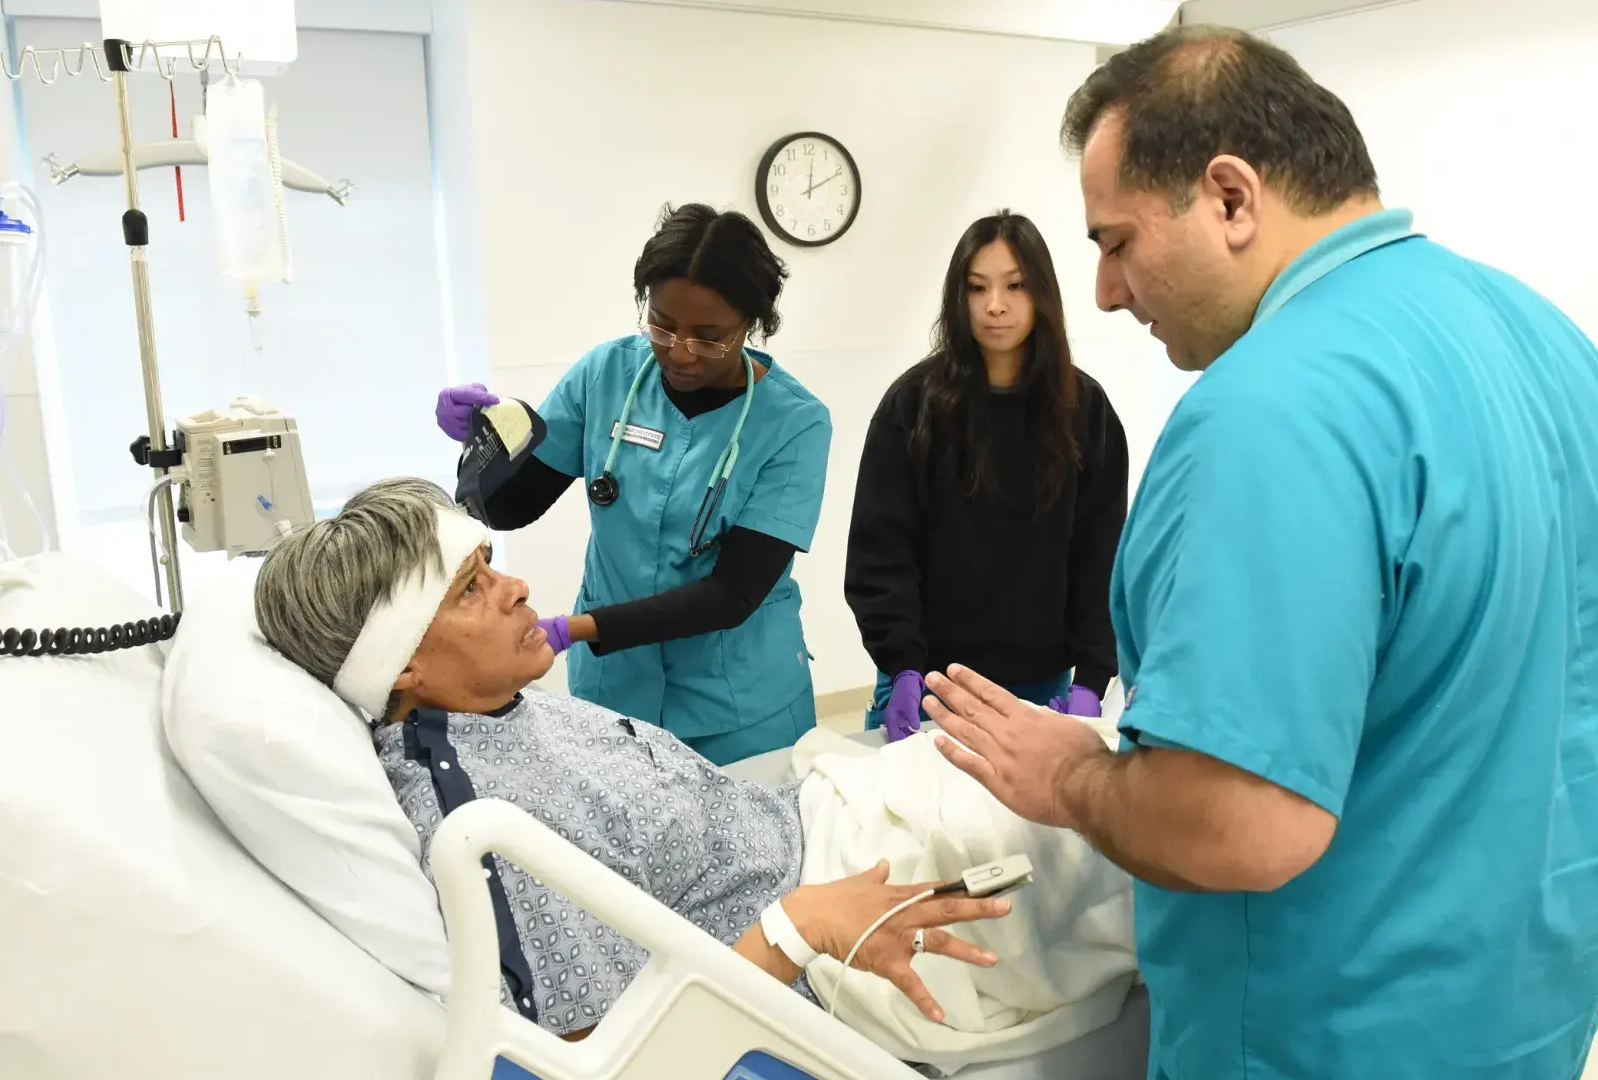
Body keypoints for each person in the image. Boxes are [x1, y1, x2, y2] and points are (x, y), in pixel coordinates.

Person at [923, 25, 1598, 1080]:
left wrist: (1076, 777)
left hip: (1344, 1024)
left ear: (1229, 197)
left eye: (1117, 242)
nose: (1107, 294)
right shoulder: (1546, 338)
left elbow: (1244, 824)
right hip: (1541, 976)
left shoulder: (1271, 406)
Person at [252, 478, 1137, 1065]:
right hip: (839, 913)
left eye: (490, 566)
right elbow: (609, 1052)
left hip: (828, 823)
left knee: (1096, 759)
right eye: (470, 591)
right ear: (397, 664)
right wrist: (800, 927)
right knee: (1123, 828)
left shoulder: (498, 705)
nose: (517, 588)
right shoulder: (477, 818)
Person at [434, 204, 830, 766]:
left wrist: (572, 630)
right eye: (663, 325)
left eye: (710, 336)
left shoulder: (794, 423)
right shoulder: (606, 375)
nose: (681, 351)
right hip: (613, 699)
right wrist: (487, 444)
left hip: (739, 707)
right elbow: (510, 509)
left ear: (751, 324)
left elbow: (735, 592)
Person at [846, 211, 1127, 742]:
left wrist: (1092, 676)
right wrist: (902, 664)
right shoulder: (913, 406)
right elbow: (880, 553)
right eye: (977, 288)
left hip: (1043, 687)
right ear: (959, 297)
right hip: (926, 682)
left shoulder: (1085, 411)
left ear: (1042, 293)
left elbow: (1102, 556)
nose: (995, 304)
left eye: (1015, 286)